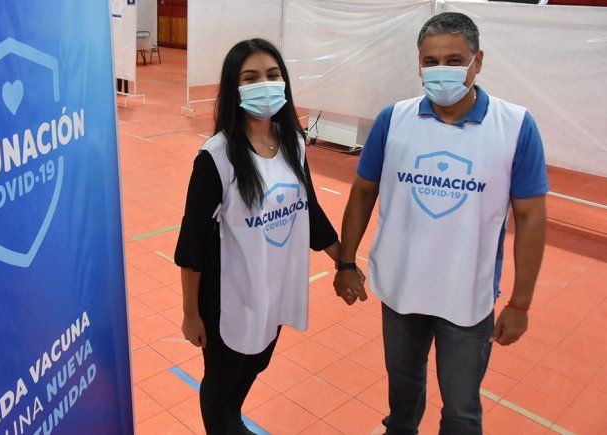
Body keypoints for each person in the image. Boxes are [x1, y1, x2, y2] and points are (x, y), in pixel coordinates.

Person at [333, 12, 548, 435]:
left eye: (454, 60)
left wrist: (520, 304)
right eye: (430, 61)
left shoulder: (515, 126)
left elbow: (530, 216)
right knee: (403, 395)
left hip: (466, 300)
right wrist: (345, 262)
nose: (440, 71)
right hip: (400, 291)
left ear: (478, 62)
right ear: (418, 63)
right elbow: (362, 191)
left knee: (462, 409)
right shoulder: (393, 119)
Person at [174, 38, 341, 435]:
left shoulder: (294, 145)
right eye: (251, 78)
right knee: (222, 378)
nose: (265, 84)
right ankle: (224, 424)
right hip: (228, 296)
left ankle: (233, 418)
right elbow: (191, 246)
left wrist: (345, 261)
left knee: (256, 362)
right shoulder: (216, 158)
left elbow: (310, 211)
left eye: (272, 74)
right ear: (235, 88)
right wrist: (190, 313)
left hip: (275, 286)